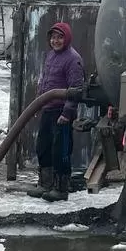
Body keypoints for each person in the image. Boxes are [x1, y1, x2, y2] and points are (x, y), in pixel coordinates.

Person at [27, 22, 84, 202]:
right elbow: (44, 81)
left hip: (61, 111)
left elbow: (76, 88)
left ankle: (61, 188)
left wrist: (67, 113)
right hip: (47, 108)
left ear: (66, 38)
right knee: (43, 147)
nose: (56, 41)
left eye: (60, 37)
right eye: (53, 37)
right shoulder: (51, 56)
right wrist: (38, 103)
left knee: (61, 150)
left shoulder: (73, 59)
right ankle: (45, 183)